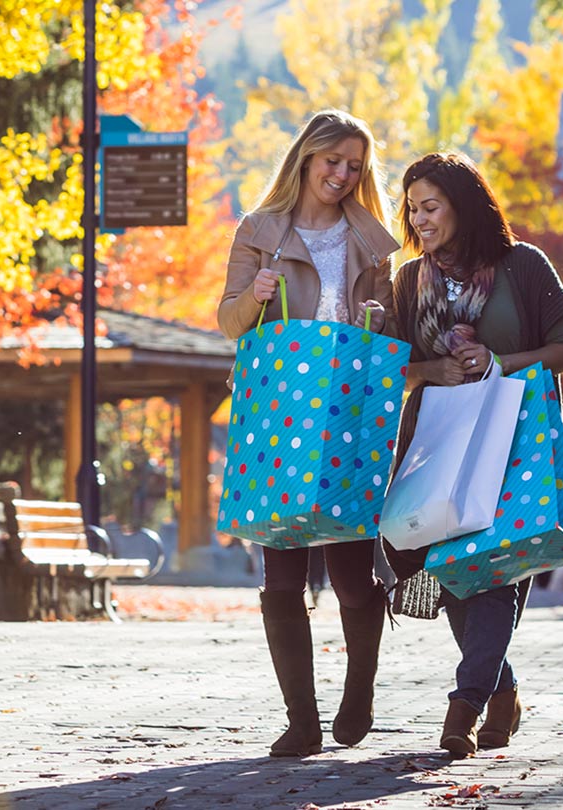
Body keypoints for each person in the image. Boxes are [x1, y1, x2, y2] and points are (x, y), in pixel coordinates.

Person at [381, 152, 563, 758]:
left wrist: (501, 363)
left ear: (464, 206)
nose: (419, 220)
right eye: (412, 208)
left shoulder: (523, 265)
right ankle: (504, 692)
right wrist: (434, 368)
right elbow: (397, 368)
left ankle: (464, 703)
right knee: (452, 571)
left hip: (515, 441)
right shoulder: (409, 279)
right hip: (437, 446)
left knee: (491, 569)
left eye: (431, 206)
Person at [217, 110, 400, 757]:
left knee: (353, 573)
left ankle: (360, 697)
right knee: (284, 575)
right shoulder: (262, 232)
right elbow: (229, 320)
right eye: (334, 162)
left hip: (347, 419)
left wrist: (380, 319)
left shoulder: (370, 241)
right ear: (306, 159)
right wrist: (257, 293)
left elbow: (394, 335)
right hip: (279, 419)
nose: (344, 176)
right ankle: (302, 720)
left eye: (355, 166)